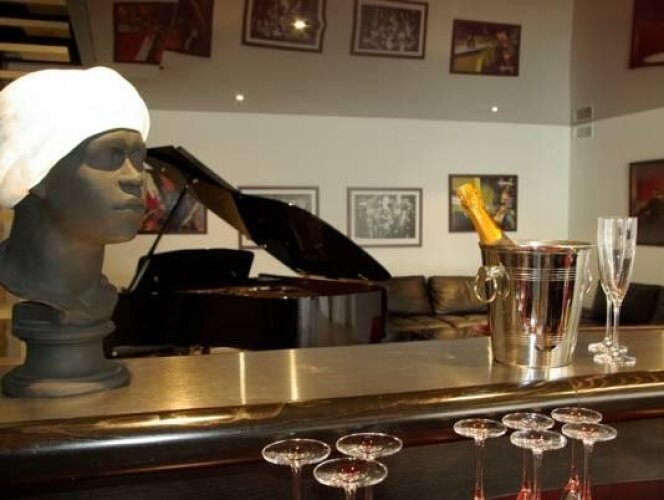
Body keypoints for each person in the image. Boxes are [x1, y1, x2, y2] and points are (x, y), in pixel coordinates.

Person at [0, 67, 150, 325]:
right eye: (109, 156)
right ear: (38, 175)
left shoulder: (99, 298)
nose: (135, 177)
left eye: (138, 159)